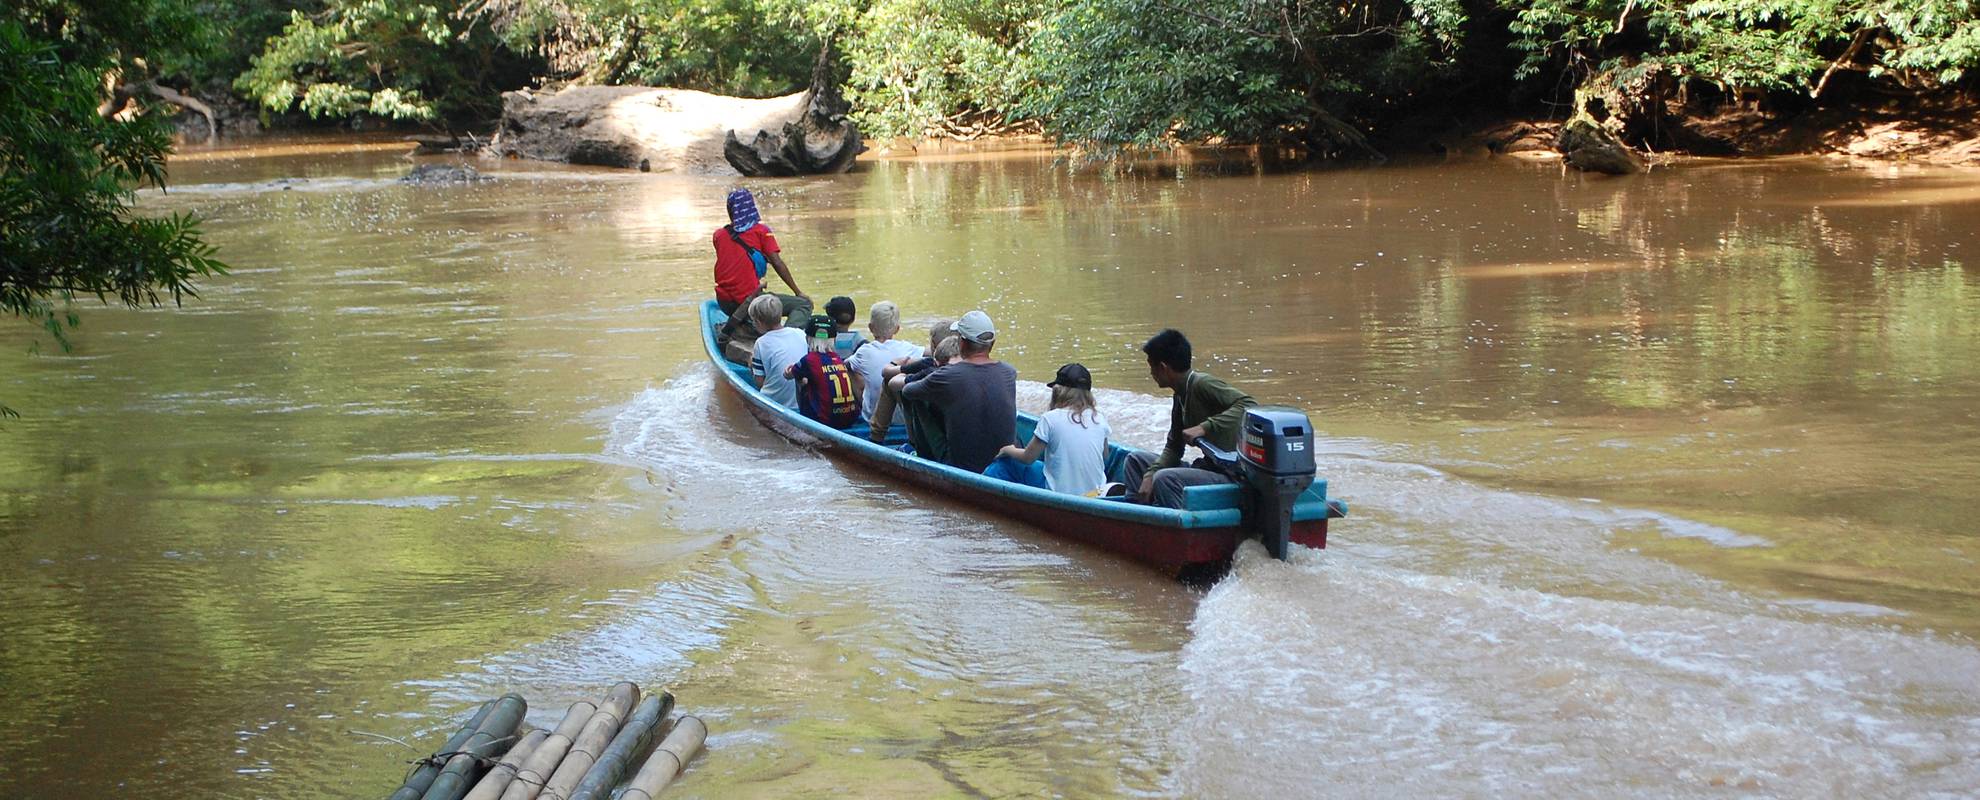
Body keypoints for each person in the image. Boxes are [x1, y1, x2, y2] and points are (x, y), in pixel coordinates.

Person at [1120, 329, 1256, 508]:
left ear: (1163, 368)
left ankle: (1177, 525)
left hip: (1230, 475)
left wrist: (1205, 427)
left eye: (1151, 367)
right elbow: (1174, 447)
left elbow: (1249, 404)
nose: (1151, 373)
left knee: (1165, 479)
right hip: (1206, 468)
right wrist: (1149, 474)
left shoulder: (1202, 384)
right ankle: (1138, 512)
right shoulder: (1179, 396)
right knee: (1135, 460)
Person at [899, 310, 1017, 474]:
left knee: (919, 399)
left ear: (961, 343)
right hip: (1003, 463)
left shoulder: (946, 375)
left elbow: (907, 391)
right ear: (993, 343)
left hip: (959, 465)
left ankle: (921, 453)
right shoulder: (1009, 372)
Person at [984, 364, 1111, 496]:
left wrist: (1007, 450)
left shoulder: (1050, 419)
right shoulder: (1100, 419)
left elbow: (1028, 458)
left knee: (1006, 463)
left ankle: (982, 492)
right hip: (1095, 494)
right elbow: (1105, 456)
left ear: (1058, 391)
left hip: (1058, 491)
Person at [714, 188, 809, 331]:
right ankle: (788, 336)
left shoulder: (719, 235)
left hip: (724, 303)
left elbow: (734, 263)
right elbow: (777, 262)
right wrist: (798, 292)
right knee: (803, 305)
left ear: (730, 210)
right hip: (750, 302)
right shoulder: (761, 232)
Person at [866, 319, 954, 445]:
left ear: (934, 346)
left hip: (930, 435)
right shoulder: (965, 367)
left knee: (891, 382)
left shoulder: (928, 366)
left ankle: (876, 437)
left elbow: (887, 374)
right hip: (952, 430)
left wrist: (898, 364)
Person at [845, 301, 923, 431]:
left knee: (850, 370)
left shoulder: (864, 351)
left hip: (872, 417)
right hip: (903, 419)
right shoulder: (908, 348)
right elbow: (929, 352)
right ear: (897, 329)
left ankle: (864, 405)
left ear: (870, 327)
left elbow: (845, 365)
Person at [785, 315, 862, 429]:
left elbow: (789, 375)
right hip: (850, 418)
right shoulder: (838, 359)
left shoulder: (809, 360)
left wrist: (789, 371)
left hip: (825, 421)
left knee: (800, 378)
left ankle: (804, 421)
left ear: (807, 338)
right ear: (834, 340)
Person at [745, 294, 809, 410]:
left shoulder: (761, 343)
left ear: (758, 322)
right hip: (804, 399)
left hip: (775, 401)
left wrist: (752, 366)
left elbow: (760, 382)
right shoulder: (800, 333)